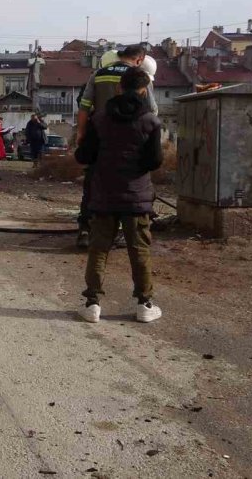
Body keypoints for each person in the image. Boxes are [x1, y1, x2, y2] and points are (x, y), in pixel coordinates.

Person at [74, 67, 163, 324]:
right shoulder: (150, 121)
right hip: (136, 197)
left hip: (103, 195)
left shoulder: (99, 119)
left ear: (118, 87)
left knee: (98, 249)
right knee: (139, 250)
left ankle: (92, 304)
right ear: (144, 90)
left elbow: (84, 156)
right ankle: (144, 304)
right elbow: (155, 160)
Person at [74, 44, 155, 248]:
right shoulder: (139, 77)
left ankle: (86, 230)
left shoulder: (98, 74)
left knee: (93, 184)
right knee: (129, 185)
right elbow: (152, 110)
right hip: (132, 140)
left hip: (100, 136)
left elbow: (84, 106)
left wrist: (82, 134)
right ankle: (125, 233)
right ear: (139, 59)